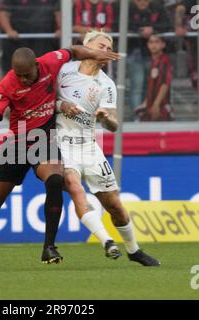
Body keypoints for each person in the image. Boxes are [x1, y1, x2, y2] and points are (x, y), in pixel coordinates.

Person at [0, 45, 120, 265]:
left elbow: (73, 51)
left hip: (43, 139)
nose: (24, 80)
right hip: (17, 143)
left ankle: (49, 248)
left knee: (55, 180)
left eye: (26, 75)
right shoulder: (9, 83)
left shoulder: (50, 61)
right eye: (19, 75)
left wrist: (94, 53)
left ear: (36, 66)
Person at [56, 30, 160, 266]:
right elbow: (43, 102)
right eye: (101, 45)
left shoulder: (107, 84)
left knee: (114, 206)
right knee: (73, 185)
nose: (106, 50)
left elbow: (114, 124)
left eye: (109, 47)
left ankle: (134, 251)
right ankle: (106, 242)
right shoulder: (64, 70)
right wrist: (61, 105)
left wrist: (105, 118)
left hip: (90, 148)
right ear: (86, 46)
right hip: (61, 143)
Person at [0, 0, 60, 74]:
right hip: (18, 43)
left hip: (44, 43)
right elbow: (3, 14)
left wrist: (61, 29)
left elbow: (59, 13)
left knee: (43, 72)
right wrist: (9, 30)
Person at [135, 34, 173, 121]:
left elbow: (165, 84)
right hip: (150, 105)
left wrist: (156, 104)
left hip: (161, 106)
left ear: (163, 45)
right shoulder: (151, 62)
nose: (153, 45)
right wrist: (145, 103)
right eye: (151, 42)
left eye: (157, 42)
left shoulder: (164, 60)